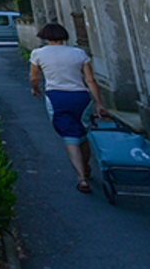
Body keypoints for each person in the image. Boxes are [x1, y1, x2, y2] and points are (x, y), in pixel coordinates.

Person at [30, 22, 109, 193]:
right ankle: (86, 167)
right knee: (83, 132)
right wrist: (99, 103)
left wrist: (35, 89)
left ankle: (81, 178)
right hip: (81, 97)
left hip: (56, 97)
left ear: (45, 37)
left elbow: (34, 77)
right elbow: (90, 81)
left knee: (69, 136)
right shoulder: (79, 53)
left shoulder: (38, 54)